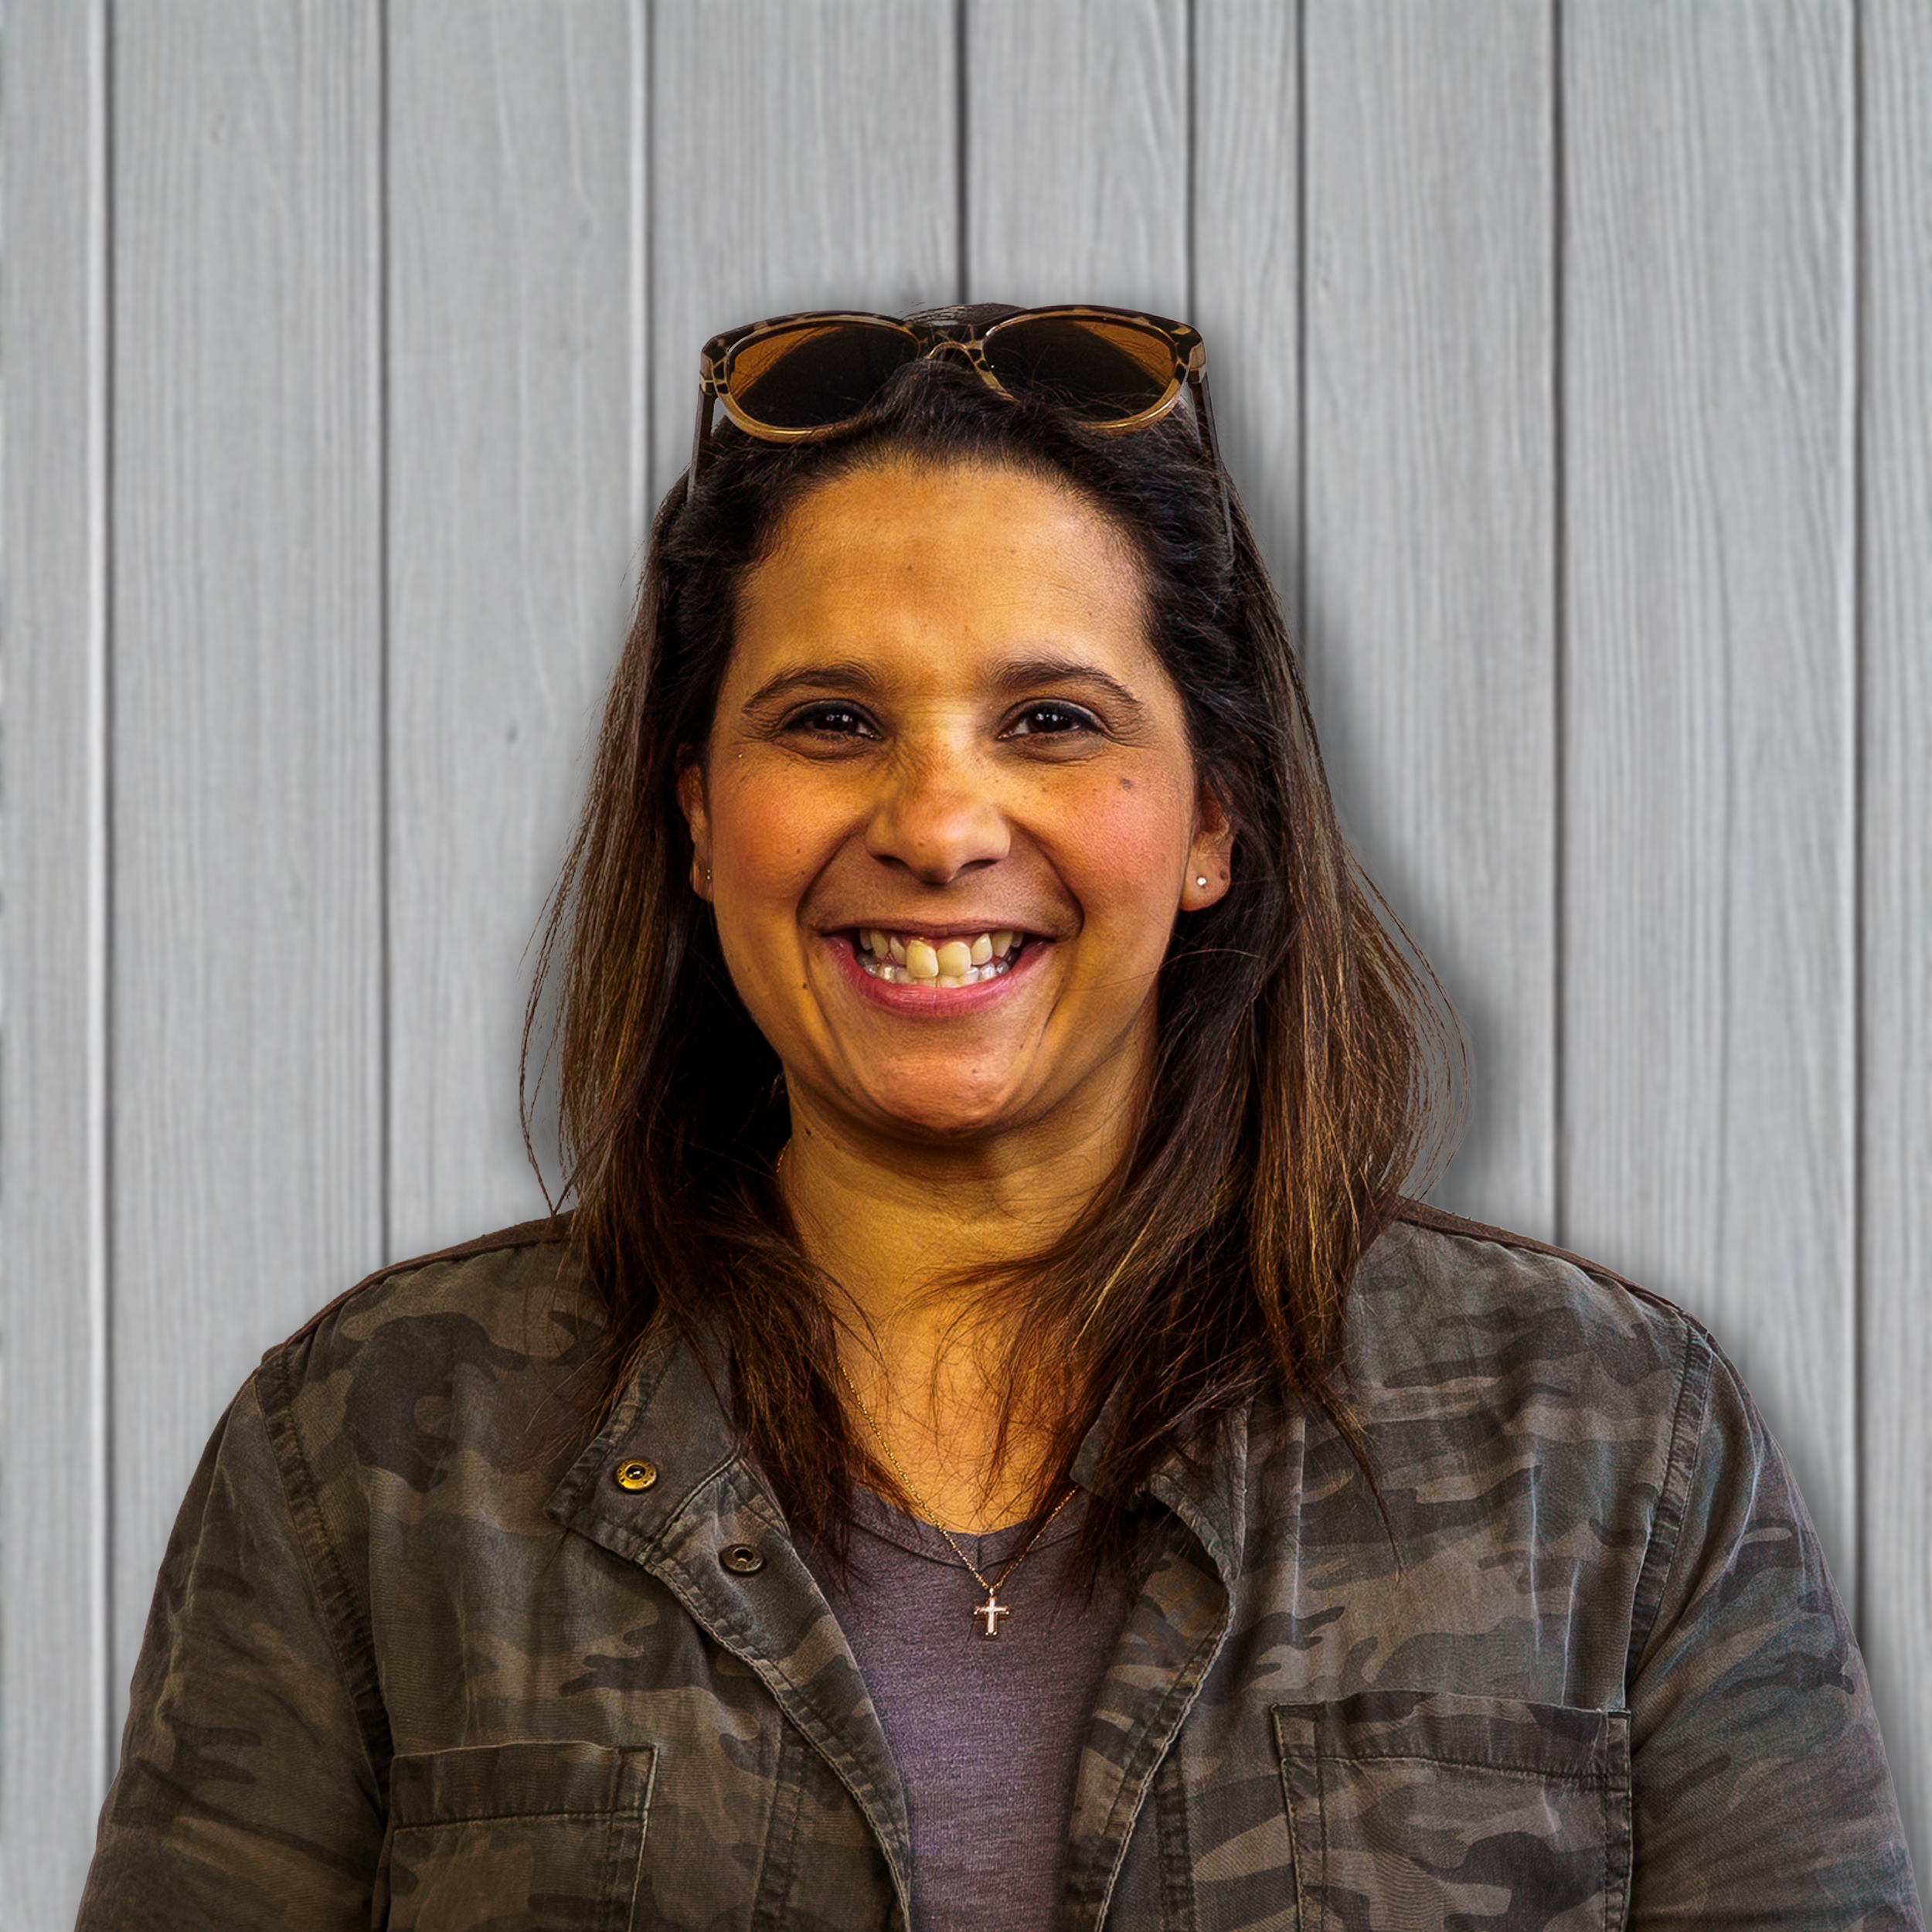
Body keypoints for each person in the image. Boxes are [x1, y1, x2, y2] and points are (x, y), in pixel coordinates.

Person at [77, 304, 1920, 1931]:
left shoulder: (1611, 1443)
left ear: (1212, 819)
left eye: (1048, 720)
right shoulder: (371, 1447)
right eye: (827, 719)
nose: (940, 825)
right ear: (698, 814)